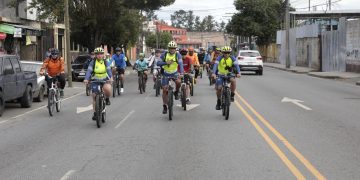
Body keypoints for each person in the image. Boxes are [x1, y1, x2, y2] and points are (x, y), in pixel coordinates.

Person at [84, 47, 113, 120]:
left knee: (108, 89)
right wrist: (86, 79)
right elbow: (89, 71)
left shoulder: (105, 62)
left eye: (101, 54)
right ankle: (95, 113)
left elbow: (109, 70)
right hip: (95, 80)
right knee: (94, 96)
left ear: (103, 55)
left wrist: (111, 78)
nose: (99, 55)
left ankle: (107, 99)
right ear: (95, 55)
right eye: (97, 54)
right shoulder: (92, 62)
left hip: (104, 80)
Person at [157, 41, 184, 114]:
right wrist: (166, 62)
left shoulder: (178, 55)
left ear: (175, 49)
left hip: (174, 73)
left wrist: (181, 73)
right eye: (171, 48)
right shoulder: (164, 54)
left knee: (178, 82)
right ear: (168, 48)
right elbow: (158, 63)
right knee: (165, 90)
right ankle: (165, 106)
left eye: (173, 48)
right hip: (166, 74)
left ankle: (176, 92)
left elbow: (181, 64)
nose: (172, 50)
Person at [211, 46, 241, 110]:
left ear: (230, 53)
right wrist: (213, 73)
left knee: (233, 81)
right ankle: (218, 101)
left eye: (228, 52)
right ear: (222, 53)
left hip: (229, 75)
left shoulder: (232, 58)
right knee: (219, 88)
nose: (226, 54)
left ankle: (232, 94)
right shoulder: (219, 58)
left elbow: (237, 66)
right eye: (225, 53)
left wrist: (239, 73)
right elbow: (215, 66)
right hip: (220, 75)